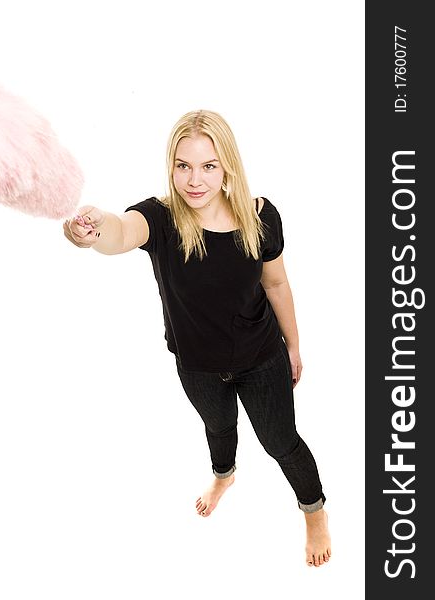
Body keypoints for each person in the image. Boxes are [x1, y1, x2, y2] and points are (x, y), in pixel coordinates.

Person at [63, 110, 332, 567]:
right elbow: (121, 232)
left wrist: (294, 346)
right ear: (171, 166)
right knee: (219, 425)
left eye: (208, 166)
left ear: (227, 165)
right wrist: (92, 229)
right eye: (183, 165)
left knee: (280, 441)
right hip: (197, 365)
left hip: (260, 358)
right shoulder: (160, 217)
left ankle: (315, 512)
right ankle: (224, 476)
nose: (194, 179)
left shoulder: (260, 216)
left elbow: (276, 285)